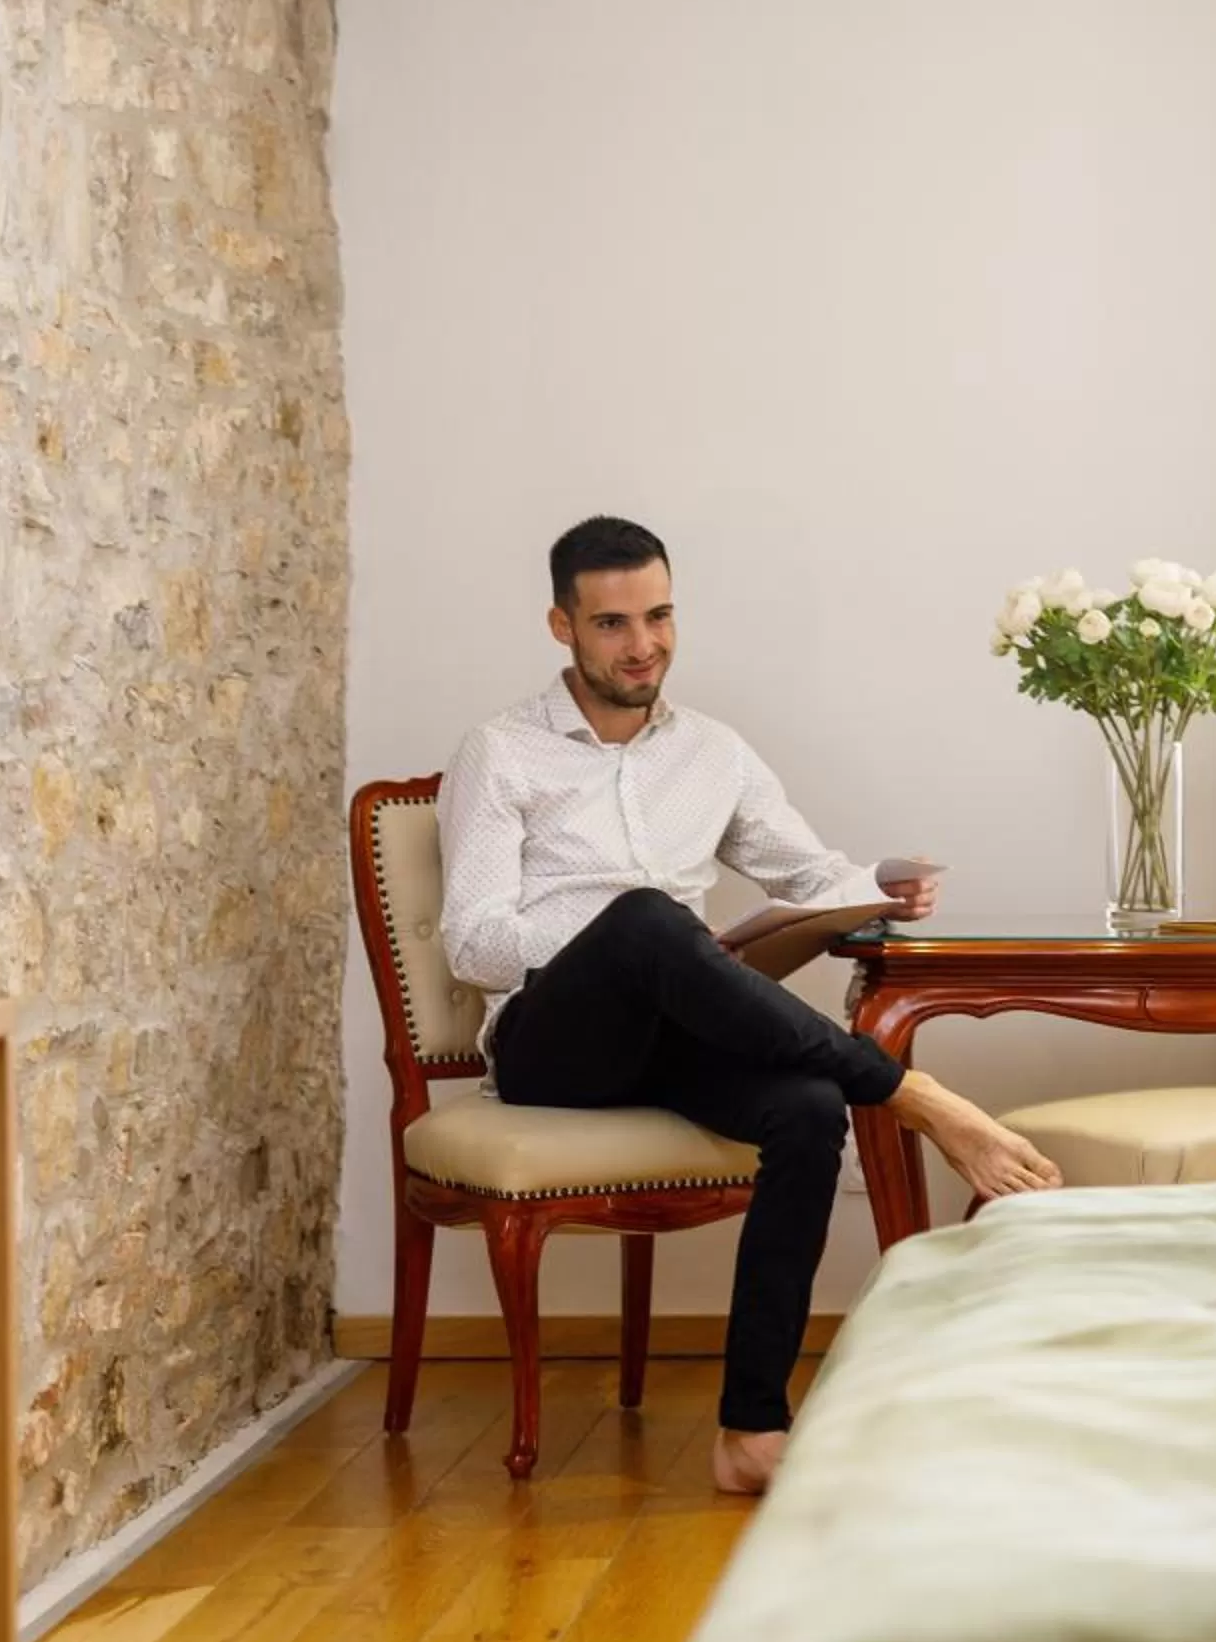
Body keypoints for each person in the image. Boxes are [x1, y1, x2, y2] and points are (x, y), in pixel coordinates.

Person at [437, 516, 1060, 1492]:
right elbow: (473, 943)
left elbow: (808, 872)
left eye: (658, 616)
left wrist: (878, 887)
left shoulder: (713, 752)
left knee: (806, 1109)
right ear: (562, 625)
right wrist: (625, 942)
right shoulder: (501, 751)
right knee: (647, 918)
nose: (642, 644)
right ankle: (914, 1094)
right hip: (551, 1042)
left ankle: (751, 1429)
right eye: (612, 624)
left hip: (674, 1029)